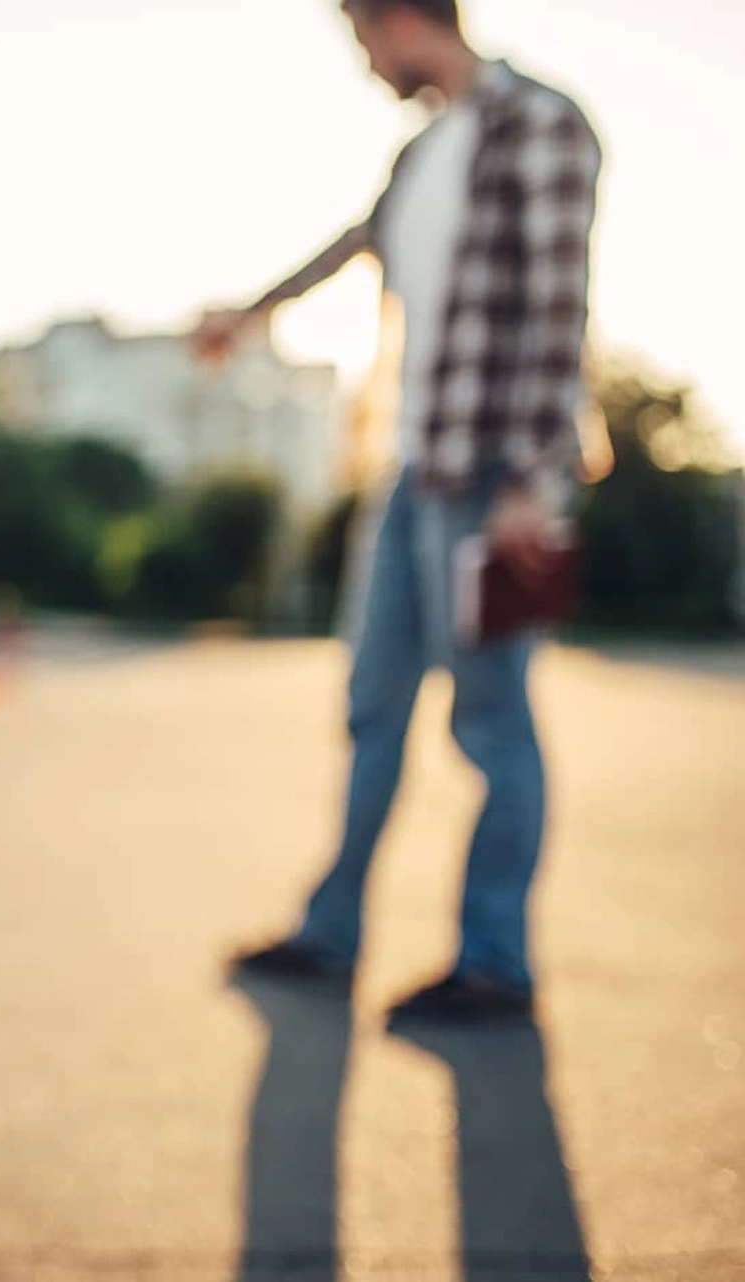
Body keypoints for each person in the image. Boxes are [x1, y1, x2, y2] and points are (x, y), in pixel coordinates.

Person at [198, 0, 602, 1021]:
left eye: (365, 40)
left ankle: (494, 963)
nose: (368, 63)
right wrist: (249, 314)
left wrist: (533, 480)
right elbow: (348, 249)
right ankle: (333, 931)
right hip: (412, 471)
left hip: (490, 478)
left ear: (401, 19)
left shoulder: (540, 123)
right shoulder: (423, 156)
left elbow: (560, 311)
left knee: (492, 721)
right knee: (373, 707)